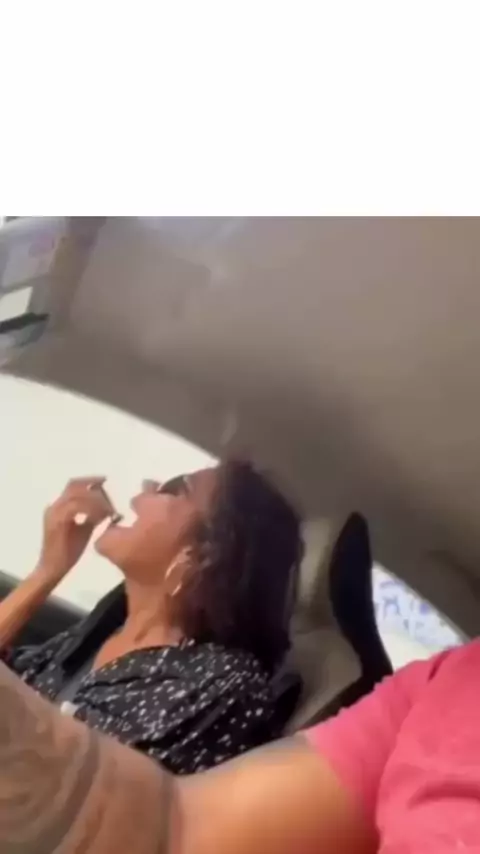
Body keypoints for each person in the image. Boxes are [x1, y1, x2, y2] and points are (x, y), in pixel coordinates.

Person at [2, 637, 480, 853]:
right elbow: (171, 829)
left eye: (176, 491)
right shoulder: (457, 682)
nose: (144, 491)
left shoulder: (216, 674)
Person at [0, 459, 303, 772]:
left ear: (204, 554)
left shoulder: (222, 683)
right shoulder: (101, 634)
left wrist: (45, 573)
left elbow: (52, 776)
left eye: (174, 489)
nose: (144, 489)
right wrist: (47, 571)